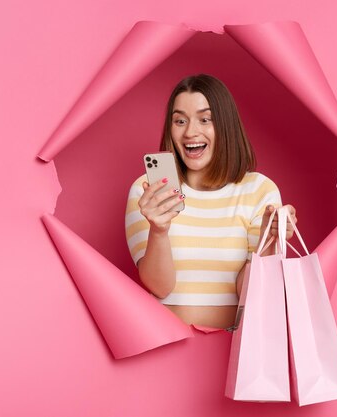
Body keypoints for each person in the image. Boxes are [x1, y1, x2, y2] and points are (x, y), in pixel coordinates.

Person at [125, 74, 297, 329]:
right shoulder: (147, 191)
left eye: (205, 119)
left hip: (235, 351)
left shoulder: (259, 190)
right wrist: (159, 231)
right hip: (165, 345)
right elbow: (160, 288)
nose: (190, 132)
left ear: (226, 126)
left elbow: (250, 293)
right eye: (180, 120)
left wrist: (267, 243)